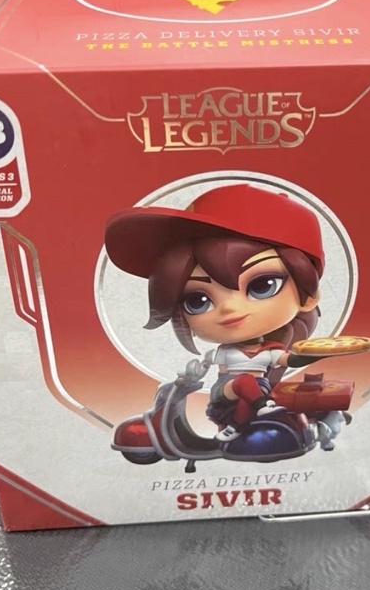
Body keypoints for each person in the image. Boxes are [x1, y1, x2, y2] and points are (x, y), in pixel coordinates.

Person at [104, 183, 328, 442]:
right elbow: (205, 365)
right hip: (226, 391)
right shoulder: (225, 353)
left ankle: (243, 423)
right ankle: (254, 411)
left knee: (249, 385)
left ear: (308, 297)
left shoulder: (271, 352)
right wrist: (192, 374)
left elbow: (290, 360)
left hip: (257, 390)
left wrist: (315, 353)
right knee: (244, 384)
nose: (229, 307)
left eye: (261, 286)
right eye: (197, 300)